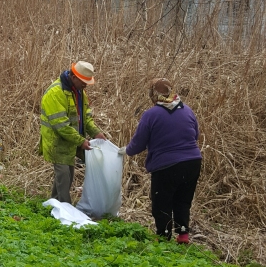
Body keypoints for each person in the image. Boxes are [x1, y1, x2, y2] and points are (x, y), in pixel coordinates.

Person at [120, 78, 202, 243]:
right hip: (193, 162)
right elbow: (196, 135)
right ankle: (183, 236)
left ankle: (163, 237)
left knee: (162, 202)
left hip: (167, 166)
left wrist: (126, 150)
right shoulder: (187, 110)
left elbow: (139, 143)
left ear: (153, 94)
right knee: (183, 200)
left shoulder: (151, 115)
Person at [40, 60, 106, 203]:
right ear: (74, 77)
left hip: (70, 142)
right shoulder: (55, 93)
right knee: (64, 176)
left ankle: (54, 204)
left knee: (66, 175)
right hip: (56, 142)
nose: (85, 85)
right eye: (83, 81)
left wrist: (96, 132)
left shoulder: (79, 92)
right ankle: (65, 210)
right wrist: (81, 141)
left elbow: (86, 118)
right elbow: (61, 125)